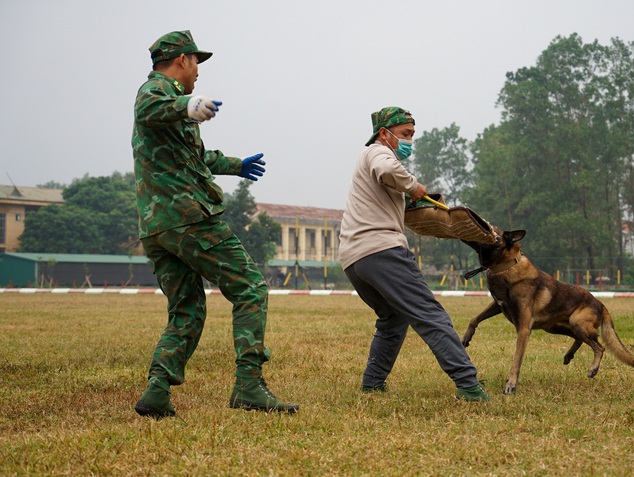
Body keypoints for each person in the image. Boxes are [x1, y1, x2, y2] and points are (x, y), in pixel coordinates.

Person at [131, 30, 298, 419]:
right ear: (182, 60)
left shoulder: (172, 105)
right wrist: (188, 104)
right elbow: (149, 109)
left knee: (188, 308)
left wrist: (237, 166)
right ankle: (249, 385)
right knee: (251, 287)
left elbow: (198, 158)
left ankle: (156, 390)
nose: (198, 73)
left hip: (158, 228)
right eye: (196, 63)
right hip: (188, 218)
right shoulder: (155, 91)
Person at [338, 107, 490, 402]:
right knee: (429, 314)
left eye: (412, 135)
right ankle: (468, 385)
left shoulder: (365, 159)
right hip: (382, 251)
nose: (409, 140)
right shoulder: (377, 153)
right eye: (405, 134)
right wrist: (415, 187)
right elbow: (387, 170)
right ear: (385, 133)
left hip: (354, 259)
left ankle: (372, 383)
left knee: (393, 318)